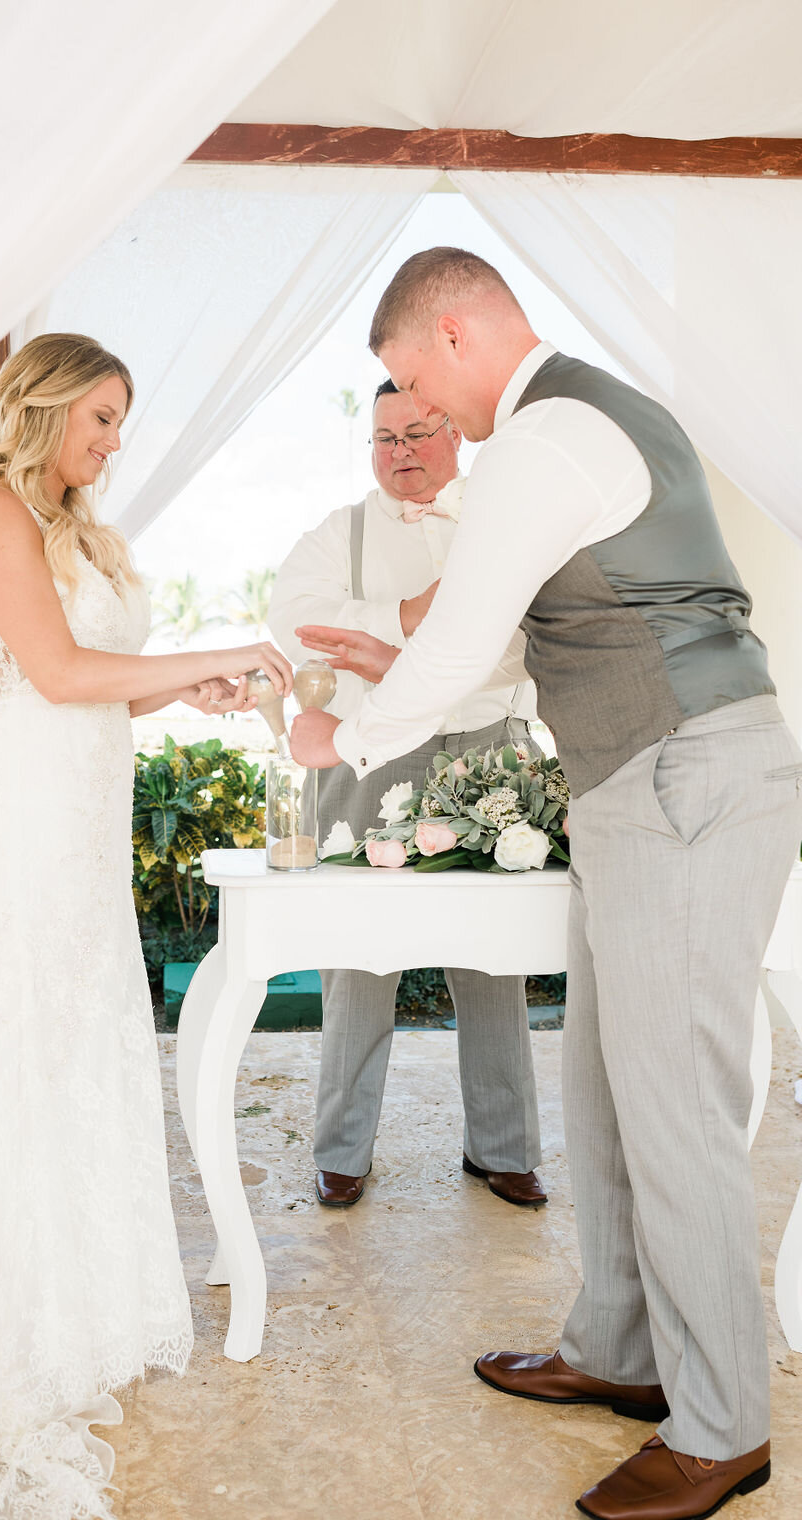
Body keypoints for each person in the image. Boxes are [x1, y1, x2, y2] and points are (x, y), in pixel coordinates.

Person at [289, 249, 802, 1520]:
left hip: (682, 776)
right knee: (607, 1087)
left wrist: (341, 739)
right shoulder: (579, 424)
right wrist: (390, 651)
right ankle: (620, 1349)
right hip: (638, 785)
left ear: (456, 334)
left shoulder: (545, 432)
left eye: (416, 380)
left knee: (674, 1106)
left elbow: (469, 635)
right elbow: (518, 643)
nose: (426, 417)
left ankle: (721, 1428)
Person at [0, 333, 293, 1520]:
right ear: (37, 410)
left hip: (85, 819)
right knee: (16, 1039)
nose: (114, 442)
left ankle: (72, 1291)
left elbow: (103, 676)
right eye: (100, 417)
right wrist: (230, 646)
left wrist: (183, 688)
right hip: (32, 824)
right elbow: (54, 668)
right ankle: (3, 1299)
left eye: (120, 420)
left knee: (80, 1043)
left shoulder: (77, 528)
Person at [268, 378, 545, 1210]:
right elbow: (300, 625)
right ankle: (342, 1152)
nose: (403, 454)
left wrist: (390, 632)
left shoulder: (498, 525)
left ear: (455, 435)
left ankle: (504, 1149)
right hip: (368, 757)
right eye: (386, 438)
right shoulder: (336, 534)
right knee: (356, 957)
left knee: (494, 962)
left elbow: (526, 640)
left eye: (419, 433)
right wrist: (416, 614)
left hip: (489, 755)